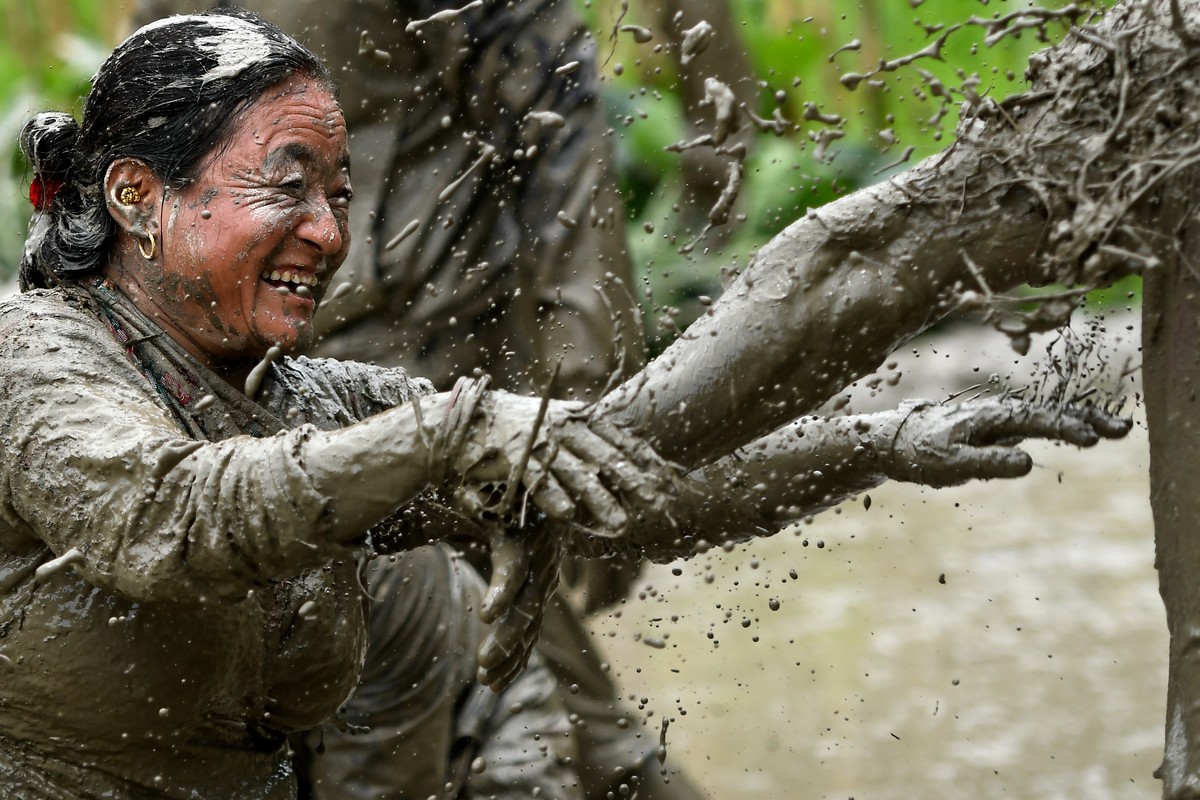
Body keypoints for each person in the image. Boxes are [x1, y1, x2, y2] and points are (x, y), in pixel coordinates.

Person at [3, 9, 1129, 799]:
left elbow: (619, 473)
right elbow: (166, 517)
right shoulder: (39, 365)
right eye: (285, 185)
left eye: (340, 194)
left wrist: (876, 440)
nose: (329, 232)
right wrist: (452, 427)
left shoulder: (298, 393)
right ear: (138, 197)